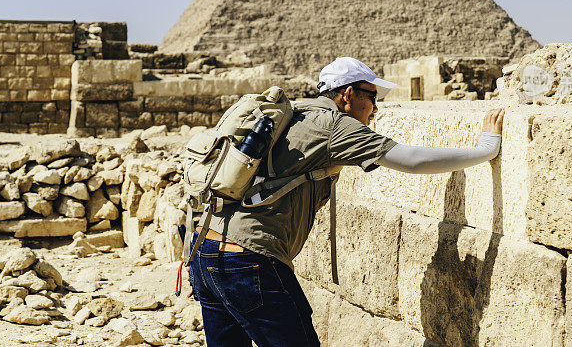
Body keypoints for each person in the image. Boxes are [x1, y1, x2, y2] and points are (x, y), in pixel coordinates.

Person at [188, 57, 505, 347]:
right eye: (372, 97)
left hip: (205, 254)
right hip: (249, 262)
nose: (375, 109)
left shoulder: (294, 113)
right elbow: (412, 160)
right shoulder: (334, 125)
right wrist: (486, 150)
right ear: (349, 94)